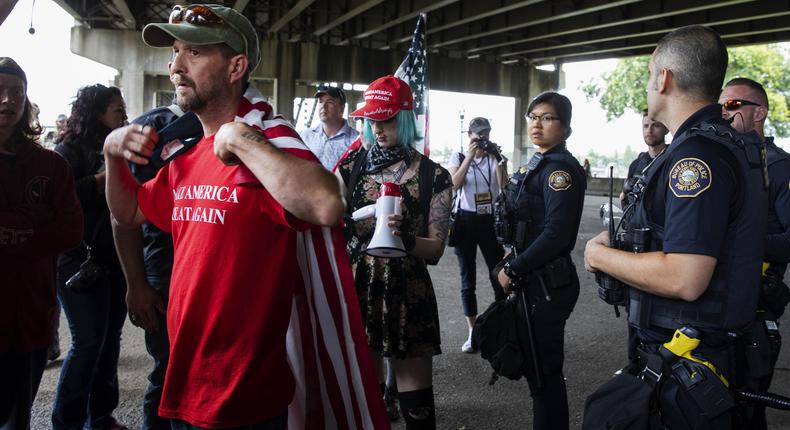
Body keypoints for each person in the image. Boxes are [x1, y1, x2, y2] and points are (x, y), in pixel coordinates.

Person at [103, 4, 385, 429]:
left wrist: (238, 137)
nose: (175, 66)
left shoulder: (267, 145)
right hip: (184, 379)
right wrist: (111, 151)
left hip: (242, 394)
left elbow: (327, 205)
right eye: (176, 52)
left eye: (193, 54)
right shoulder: (186, 159)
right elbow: (127, 211)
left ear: (237, 67)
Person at [584, 25, 767, 428]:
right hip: (704, 355)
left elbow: (686, 277)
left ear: (663, 78)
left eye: (650, 76)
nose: (649, 86)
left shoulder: (694, 158)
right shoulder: (724, 144)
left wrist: (601, 255)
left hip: (689, 365)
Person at [336, 75, 453, 429]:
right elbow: (326, 221)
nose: (378, 127)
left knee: (417, 407)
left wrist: (408, 242)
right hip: (357, 287)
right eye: (371, 119)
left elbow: (436, 249)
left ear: (404, 119)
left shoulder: (435, 176)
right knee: (364, 399)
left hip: (408, 290)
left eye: (386, 118)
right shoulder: (350, 167)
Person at [0, 57, 83, 430]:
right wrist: (31, 224)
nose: (8, 100)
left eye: (16, 92)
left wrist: (11, 233)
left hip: (28, 319)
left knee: (17, 421)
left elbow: (69, 232)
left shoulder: (51, 167)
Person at [494, 91, 585, 430]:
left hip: (547, 282)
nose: (537, 124)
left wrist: (512, 268)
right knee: (536, 370)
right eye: (533, 117)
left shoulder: (559, 171)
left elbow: (557, 234)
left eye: (547, 118)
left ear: (566, 128)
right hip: (534, 277)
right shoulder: (539, 165)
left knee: (545, 372)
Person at [111, 104, 202, 430]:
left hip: (206, 276)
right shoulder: (152, 129)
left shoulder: (240, 124)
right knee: (168, 375)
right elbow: (124, 216)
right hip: (164, 271)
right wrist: (136, 285)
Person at [52, 84, 129, 430]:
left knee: (109, 342)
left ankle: (100, 417)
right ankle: (66, 422)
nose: (124, 116)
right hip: (76, 261)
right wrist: (108, 174)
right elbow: (66, 196)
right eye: (117, 109)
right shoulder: (67, 149)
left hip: (114, 259)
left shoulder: (122, 147)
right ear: (96, 112)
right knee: (86, 342)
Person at [719, 77, 790, 429]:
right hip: (716, 303)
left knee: (749, 409)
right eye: (721, 105)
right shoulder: (722, 162)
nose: (724, 112)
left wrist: (743, 240)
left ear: (759, 111)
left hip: (758, 304)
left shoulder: (778, 167)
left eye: (733, 105)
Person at [447, 116, 507, 353]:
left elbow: (504, 187)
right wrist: (470, 157)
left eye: (486, 135)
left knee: (498, 273)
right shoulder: (459, 156)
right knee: (467, 278)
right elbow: (453, 184)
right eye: (478, 135)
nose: (482, 139)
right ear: (469, 135)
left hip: (489, 221)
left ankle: (501, 325)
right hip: (464, 220)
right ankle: (472, 331)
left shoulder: (494, 157)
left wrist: (500, 161)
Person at [298, 84, 359, 170]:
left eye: (330, 102)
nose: (323, 106)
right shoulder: (304, 136)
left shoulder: (355, 140)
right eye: (321, 101)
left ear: (342, 109)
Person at [619, 111, 668, 208]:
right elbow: (623, 199)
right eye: (646, 126)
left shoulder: (673, 159)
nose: (649, 130)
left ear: (666, 129)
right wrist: (625, 191)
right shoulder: (635, 165)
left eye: (656, 126)